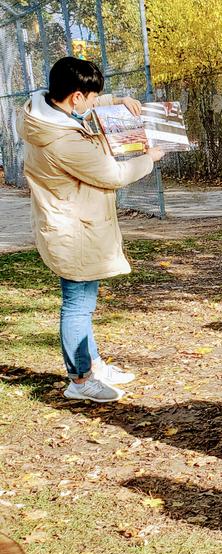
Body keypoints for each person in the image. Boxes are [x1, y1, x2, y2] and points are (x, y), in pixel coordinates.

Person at [17, 57, 165, 403]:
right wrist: (150, 157)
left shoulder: (48, 113)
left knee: (83, 302)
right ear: (76, 98)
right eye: (93, 97)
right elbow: (112, 175)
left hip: (73, 223)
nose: (97, 101)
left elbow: (91, 107)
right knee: (77, 305)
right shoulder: (63, 140)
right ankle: (80, 380)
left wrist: (117, 101)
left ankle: (92, 364)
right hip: (72, 230)